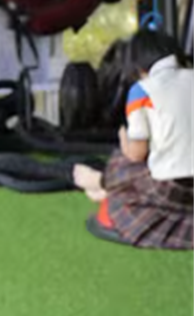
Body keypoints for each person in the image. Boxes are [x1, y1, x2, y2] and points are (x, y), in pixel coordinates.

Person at [74, 30, 194, 249]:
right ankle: (106, 186)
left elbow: (137, 154)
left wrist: (124, 140)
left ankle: (101, 182)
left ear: (137, 66)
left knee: (122, 161)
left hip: (175, 189)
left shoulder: (141, 91)